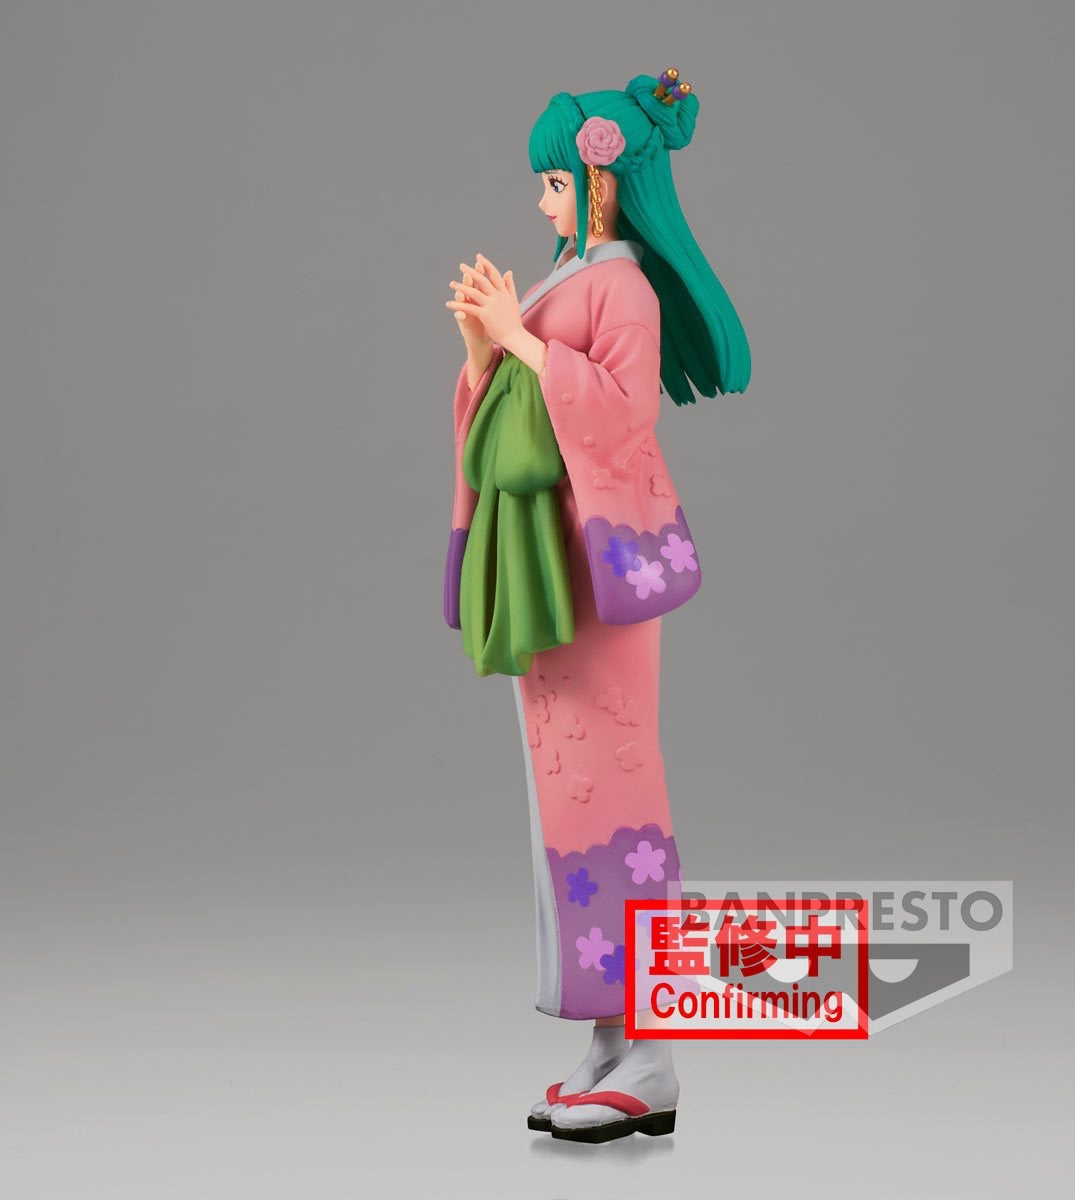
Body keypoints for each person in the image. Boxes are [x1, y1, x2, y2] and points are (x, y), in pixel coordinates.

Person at [441, 70, 750, 1143]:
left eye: (551, 182)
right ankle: (611, 1044)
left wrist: (521, 342)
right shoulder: (569, 277)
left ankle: (655, 1055)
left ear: (600, 183)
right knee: (570, 811)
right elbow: (510, 413)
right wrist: (484, 354)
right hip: (547, 566)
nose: (541, 201)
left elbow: (619, 415)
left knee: (620, 805)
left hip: (592, 568)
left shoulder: (624, 289)